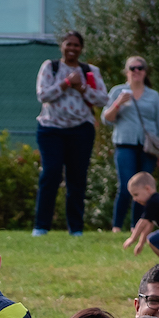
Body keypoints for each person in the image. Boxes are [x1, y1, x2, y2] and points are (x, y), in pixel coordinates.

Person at [32, 30, 105, 237]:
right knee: (51, 173)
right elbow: (43, 95)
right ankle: (41, 227)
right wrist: (65, 84)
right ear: (62, 46)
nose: (72, 48)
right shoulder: (50, 67)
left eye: (76, 45)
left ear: (81, 49)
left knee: (77, 179)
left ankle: (76, 229)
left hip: (81, 130)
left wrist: (81, 87)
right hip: (51, 128)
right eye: (68, 44)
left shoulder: (90, 71)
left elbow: (102, 99)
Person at [103, 56, 159, 232]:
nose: (136, 71)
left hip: (148, 147)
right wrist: (118, 104)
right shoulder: (118, 91)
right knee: (126, 186)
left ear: (145, 72)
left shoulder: (153, 95)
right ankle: (116, 227)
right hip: (125, 145)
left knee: (144, 189)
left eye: (140, 68)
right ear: (127, 71)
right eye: (133, 68)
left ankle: (136, 227)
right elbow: (106, 119)